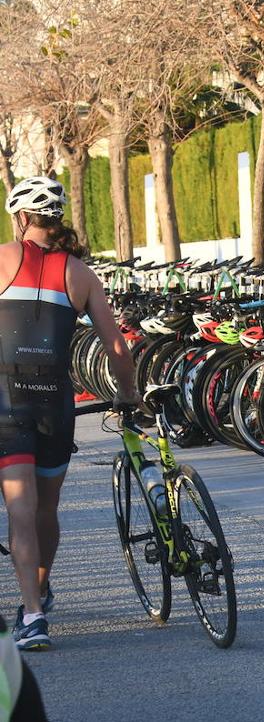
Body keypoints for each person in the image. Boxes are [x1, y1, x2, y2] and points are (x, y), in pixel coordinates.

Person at [0, 176, 139, 650]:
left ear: (20, 218)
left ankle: (34, 615)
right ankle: (36, 590)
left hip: (8, 403)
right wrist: (129, 395)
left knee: (20, 512)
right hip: (55, 405)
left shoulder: (1, 258)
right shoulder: (79, 272)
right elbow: (116, 346)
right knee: (46, 509)